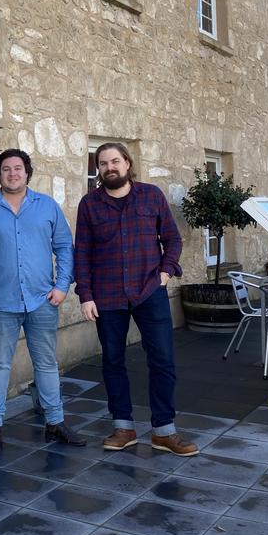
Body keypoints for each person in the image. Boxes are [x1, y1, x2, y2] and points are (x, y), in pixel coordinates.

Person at [74, 141, 198, 456]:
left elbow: (172, 238)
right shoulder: (90, 204)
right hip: (107, 295)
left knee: (163, 361)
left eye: (115, 161)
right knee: (113, 362)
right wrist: (86, 296)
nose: (109, 167)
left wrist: (166, 273)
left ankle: (164, 432)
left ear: (127, 163)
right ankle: (123, 428)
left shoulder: (151, 196)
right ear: (98, 169)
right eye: (102, 163)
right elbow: (83, 254)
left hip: (149, 292)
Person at [0, 148, 85, 453]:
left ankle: (55, 423)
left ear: (27, 172)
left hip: (42, 300)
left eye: (18, 168)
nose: (13, 174)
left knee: (46, 363)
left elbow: (64, 248)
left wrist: (61, 286)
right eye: (6, 169)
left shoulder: (47, 207)